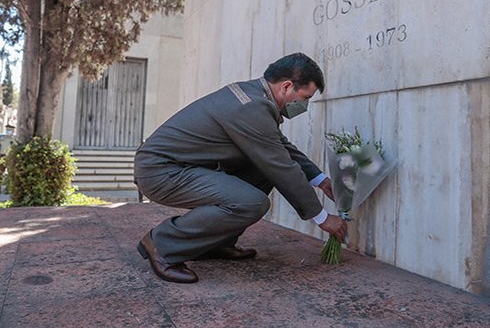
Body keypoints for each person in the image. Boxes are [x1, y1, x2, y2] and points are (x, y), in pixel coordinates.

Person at [134, 52, 347, 283]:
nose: (304, 105)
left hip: (183, 166)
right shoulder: (250, 107)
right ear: (286, 86)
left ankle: (216, 244)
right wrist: (322, 217)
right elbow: (282, 165)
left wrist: (321, 180)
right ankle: (162, 244)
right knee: (251, 203)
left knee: (263, 171)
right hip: (162, 171)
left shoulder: (254, 95)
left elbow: (281, 148)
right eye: (305, 97)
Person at [0, 124, 16, 195]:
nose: (9, 131)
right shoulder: (2, 138)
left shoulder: (14, 139)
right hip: (2, 156)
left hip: (10, 157)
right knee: (0, 173)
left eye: (10, 130)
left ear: (13, 131)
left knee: (10, 173)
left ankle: (9, 189)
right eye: (7, 130)